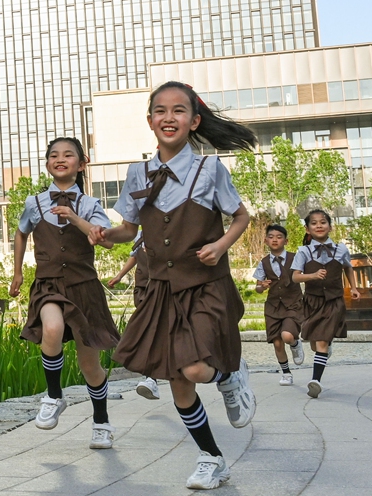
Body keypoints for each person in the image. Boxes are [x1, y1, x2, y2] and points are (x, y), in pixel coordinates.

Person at [90, 81, 257, 491]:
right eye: (160, 111)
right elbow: (129, 230)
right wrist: (104, 235)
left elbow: (241, 217)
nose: (169, 117)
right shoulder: (137, 173)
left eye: (178, 110)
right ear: (150, 121)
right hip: (161, 289)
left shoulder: (209, 169)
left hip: (204, 285)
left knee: (197, 369)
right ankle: (211, 457)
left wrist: (219, 245)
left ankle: (229, 376)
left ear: (194, 120)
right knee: (178, 379)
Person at [9, 137, 120, 449]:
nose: (61, 159)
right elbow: (21, 233)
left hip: (84, 289)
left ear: (81, 164)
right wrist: (18, 272)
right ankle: (54, 395)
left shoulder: (89, 205)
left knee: (90, 364)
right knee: (52, 327)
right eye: (54, 155)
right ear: (47, 165)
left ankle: (101, 422)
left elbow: (107, 241)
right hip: (48, 284)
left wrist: (74, 218)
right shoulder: (35, 202)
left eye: (68, 155)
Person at [291, 209, 361, 399]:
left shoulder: (341, 249)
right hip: (312, 302)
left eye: (323, 222)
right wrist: (312, 275)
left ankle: (316, 381)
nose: (319, 226)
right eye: (314, 223)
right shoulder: (303, 251)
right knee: (315, 343)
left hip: (334, 301)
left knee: (320, 341)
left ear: (330, 226)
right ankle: (325, 348)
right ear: (307, 229)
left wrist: (354, 288)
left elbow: (348, 267)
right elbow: (295, 277)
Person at [108, 233, 161, 400]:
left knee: (152, 330)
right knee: (148, 330)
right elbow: (135, 257)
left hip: (160, 288)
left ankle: (152, 378)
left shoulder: (167, 231)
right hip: (142, 289)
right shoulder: (140, 235)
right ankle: (151, 377)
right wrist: (119, 276)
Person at [252, 224, 306, 385]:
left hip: (293, 304)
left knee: (287, 336)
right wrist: (262, 286)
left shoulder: (295, 257)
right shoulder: (263, 263)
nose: (275, 239)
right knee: (277, 343)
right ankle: (286, 373)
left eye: (279, 236)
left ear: (286, 240)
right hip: (273, 307)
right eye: (271, 236)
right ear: (265, 240)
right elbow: (258, 288)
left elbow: (302, 275)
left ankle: (295, 344)